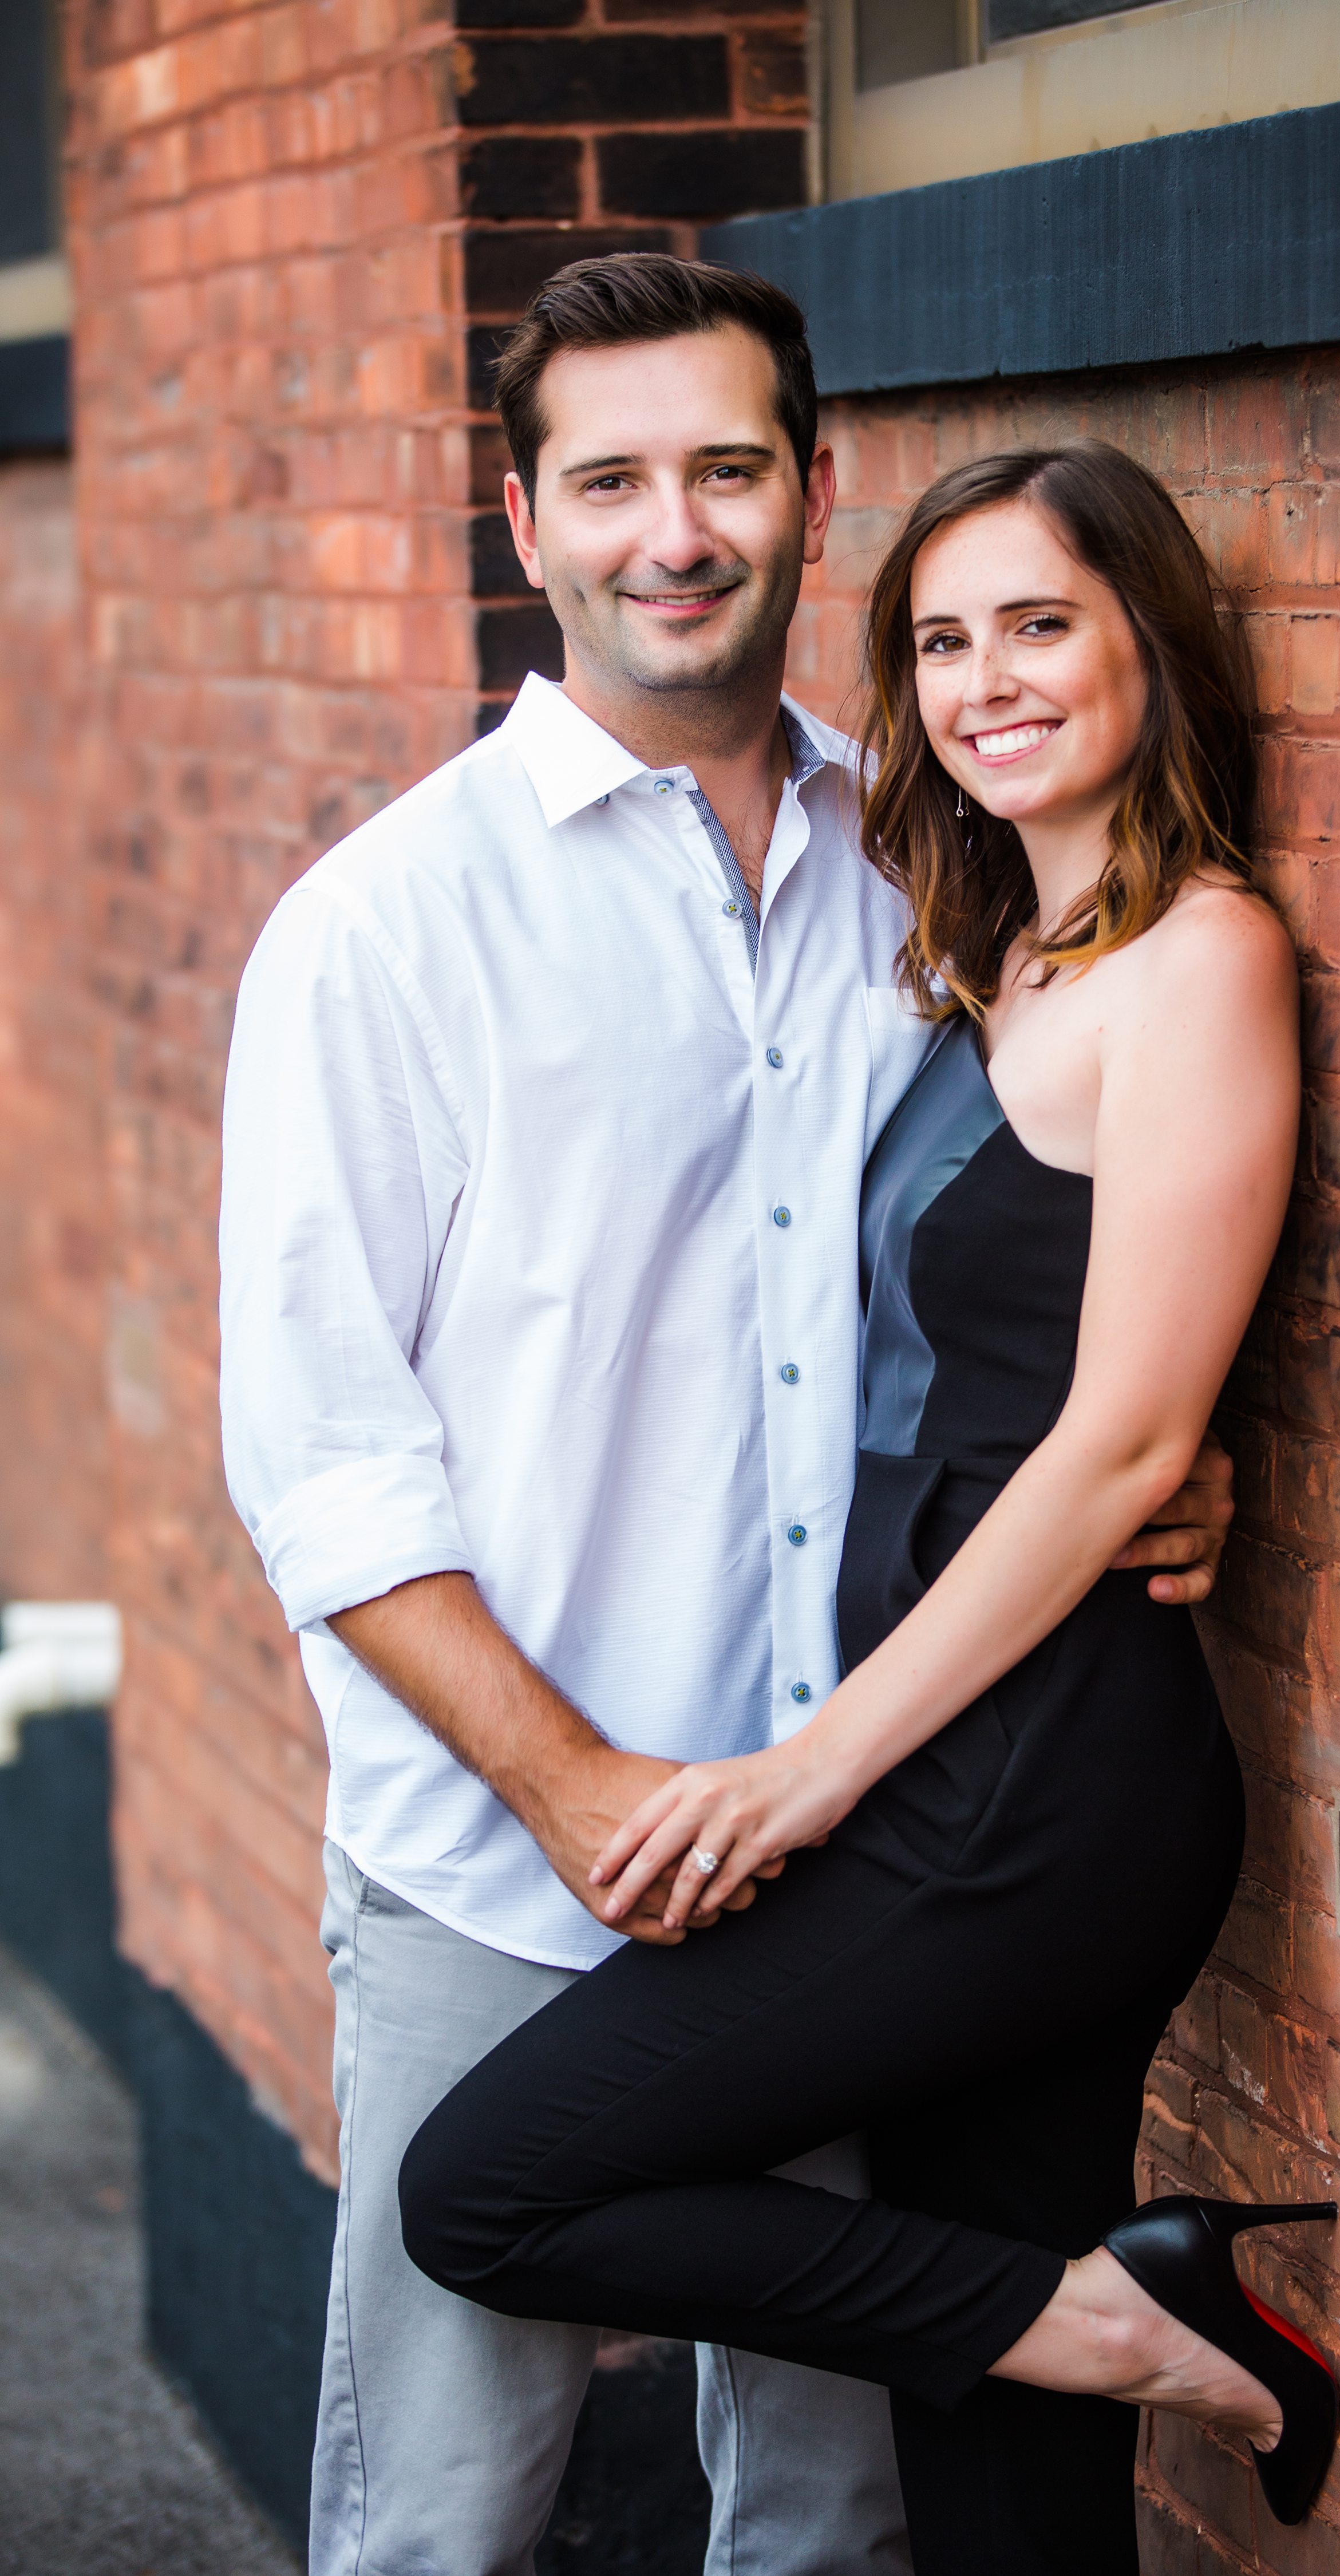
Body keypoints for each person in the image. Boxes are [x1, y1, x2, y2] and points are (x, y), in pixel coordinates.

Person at [217, 259, 1236, 2576]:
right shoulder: (385, 931)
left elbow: (1017, 1285)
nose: (671, 530)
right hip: (514, 1847)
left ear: (811, 493)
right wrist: (580, 1800)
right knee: (450, 2513)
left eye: (725, 469)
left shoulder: (942, 865)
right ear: (527, 519)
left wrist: (1170, 1458)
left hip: (861, 1839)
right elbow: (322, 1455)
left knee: (832, 2505)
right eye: (610, 480)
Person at [397, 440, 1339, 2576]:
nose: (986, 680)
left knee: (493, 2185)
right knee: (996, 2463)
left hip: (1034, 1788)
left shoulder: (1203, 958)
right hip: (972, 1754)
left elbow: (1114, 1436)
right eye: (939, 641)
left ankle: (1114, 2321)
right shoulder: (992, 946)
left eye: (1041, 624)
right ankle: (1102, 2321)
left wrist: (803, 1774)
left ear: (1148, 650)